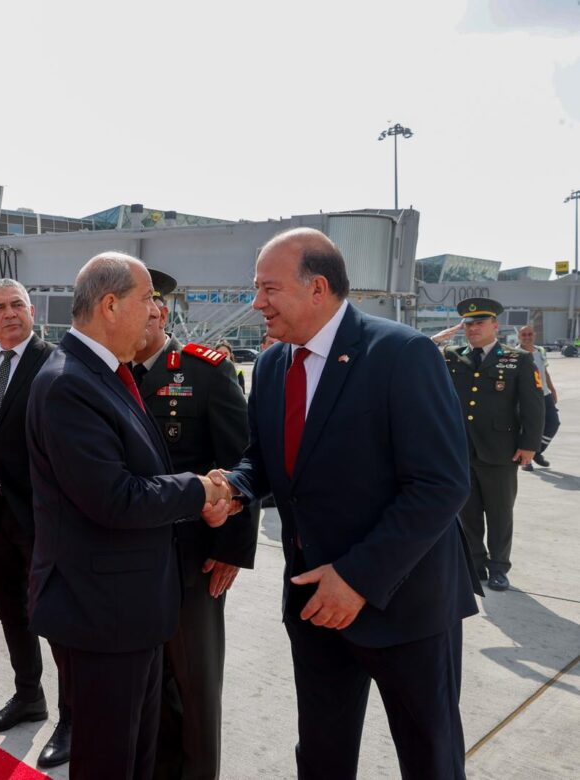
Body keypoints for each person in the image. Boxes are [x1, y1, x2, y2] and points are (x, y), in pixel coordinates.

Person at [210, 227, 479, 779]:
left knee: (430, 756)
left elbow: (441, 483)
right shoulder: (270, 365)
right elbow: (266, 460)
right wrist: (235, 490)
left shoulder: (401, 354)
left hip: (403, 605)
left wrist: (356, 577)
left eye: (268, 288)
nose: (256, 303)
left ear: (318, 288)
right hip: (314, 604)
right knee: (323, 755)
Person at [27, 251, 231, 779]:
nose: (156, 311)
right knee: (110, 760)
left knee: (139, 755)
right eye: (148, 299)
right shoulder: (71, 382)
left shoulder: (104, 373)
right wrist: (200, 490)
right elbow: (115, 498)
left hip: (129, 610)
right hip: (102, 615)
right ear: (111, 304)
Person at [134, 270, 255, 780]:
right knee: (149, 680)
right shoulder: (109, 372)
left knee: (195, 680)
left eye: (153, 305)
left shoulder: (205, 370)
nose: (148, 314)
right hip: (133, 555)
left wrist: (231, 548)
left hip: (194, 556)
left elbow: (243, 460)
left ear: (162, 312)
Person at [0, 278, 70, 769]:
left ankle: (73, 718)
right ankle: (28, 696)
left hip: (44, 519)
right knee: (11, 613)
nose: (8, 313)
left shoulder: (57, 363)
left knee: (58, 621)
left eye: (16, 305)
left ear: (32, 310)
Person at [443, 299, 544, 592]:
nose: (473, 328)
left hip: (501, 450)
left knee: (500, 513)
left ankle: (499, 567)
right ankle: (475, 564)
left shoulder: (517, 359)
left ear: (495, 325)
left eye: (479, 323)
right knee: (467, 512)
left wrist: (530, 445)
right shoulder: (451, 355)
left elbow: (533, 406)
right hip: (460, 450)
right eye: (468, 324)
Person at [517, 324, 560, 471]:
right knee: (527, 428)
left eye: (530, 334)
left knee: (553, 424)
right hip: (526, 397)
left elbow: (544, 372)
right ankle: (526, 460)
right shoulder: (515, 354)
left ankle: (537, 452)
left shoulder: (541, 351)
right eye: (524, 335)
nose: (527, 337)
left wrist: (552, 389)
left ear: (534, 335)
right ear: (519, 337)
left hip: (544, 394)